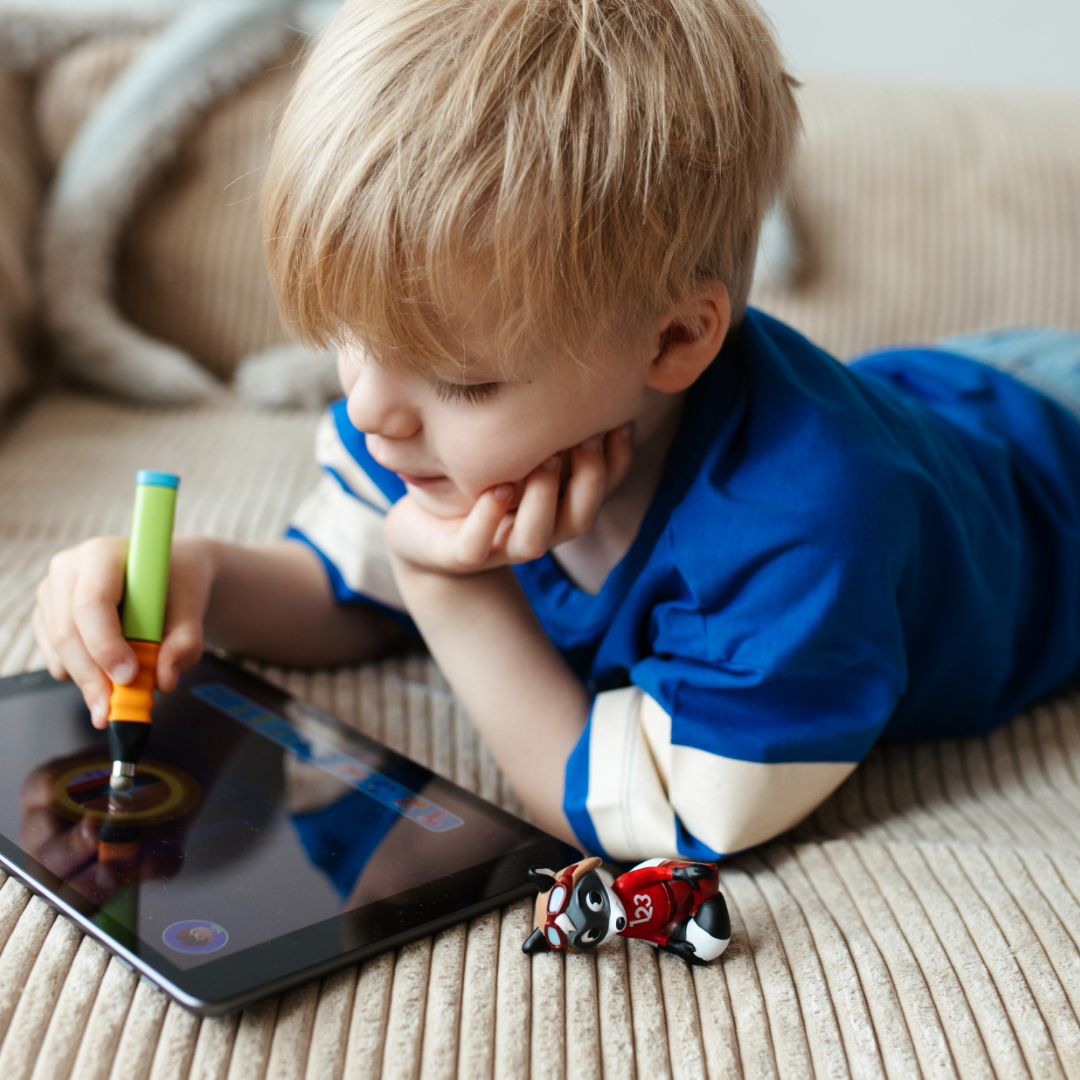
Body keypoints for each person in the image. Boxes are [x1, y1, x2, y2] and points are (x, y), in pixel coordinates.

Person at [33, 0, 1080, 867]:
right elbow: (349, 587)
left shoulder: (804, 529)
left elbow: (648, 819)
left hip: (1051, 460)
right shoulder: (413, 422)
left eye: (463, 381)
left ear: (674, 338)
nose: (368, 411)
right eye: (351, 338)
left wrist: (449, 582)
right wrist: (201, 580)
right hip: (951, 395)